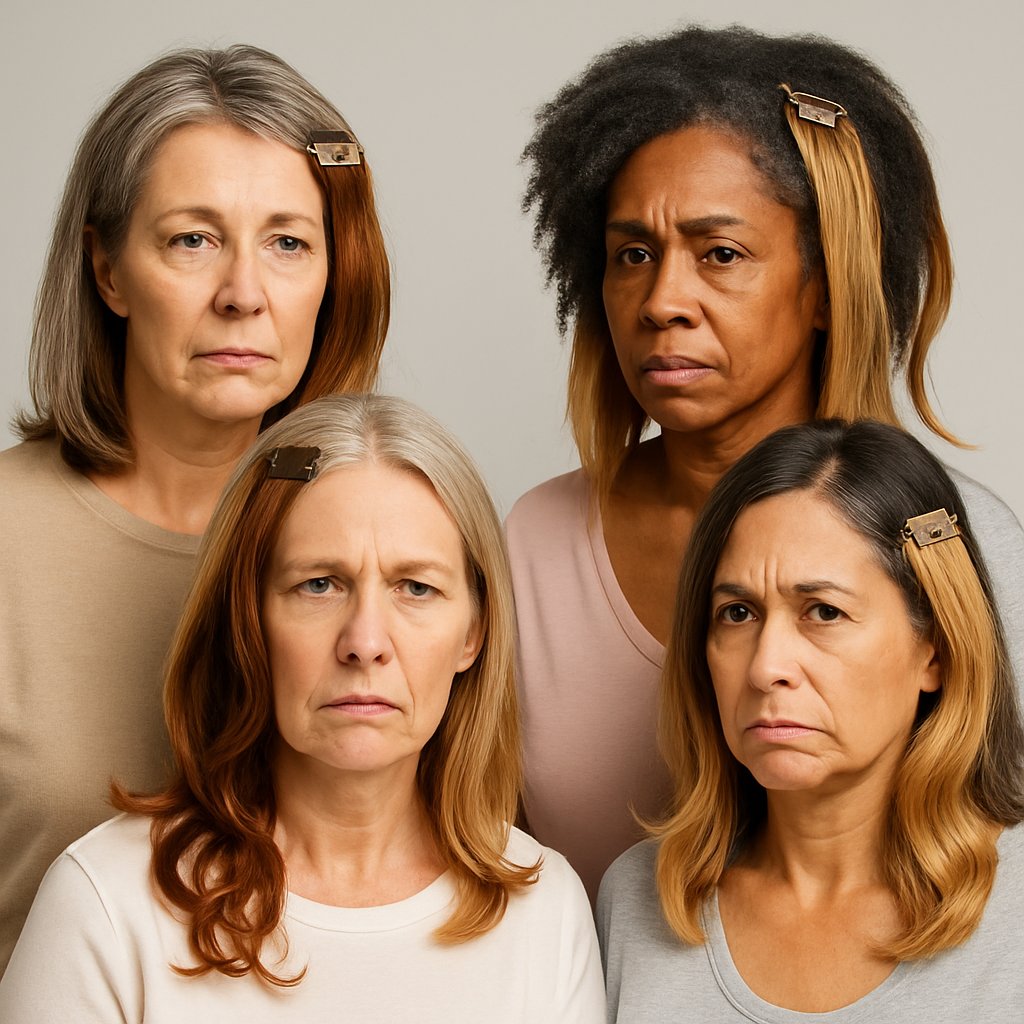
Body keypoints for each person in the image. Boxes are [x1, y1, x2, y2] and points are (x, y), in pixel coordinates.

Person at [507, 24, 1024, 899]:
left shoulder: (957, 541)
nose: (663, 301)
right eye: (634, 255)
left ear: (824, 285)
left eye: (721, 254)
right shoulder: (534, 542)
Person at [0, 394, 605, 1022]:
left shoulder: (546, 908)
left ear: (473, 633)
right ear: (248, 621)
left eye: (416, 588)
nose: (365, 642)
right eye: (319, 584)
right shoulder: (105, 903)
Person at [0, 44, 391, 971]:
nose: (243, 296)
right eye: (193, 239)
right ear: (107, 270)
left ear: (334, 274)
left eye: (288, 243)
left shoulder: (392, 536)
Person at [599, 419, 1024, 1020]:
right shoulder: (635, 902)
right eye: (738, 613)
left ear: (935, 649)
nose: (766, 667)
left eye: (823, 611)